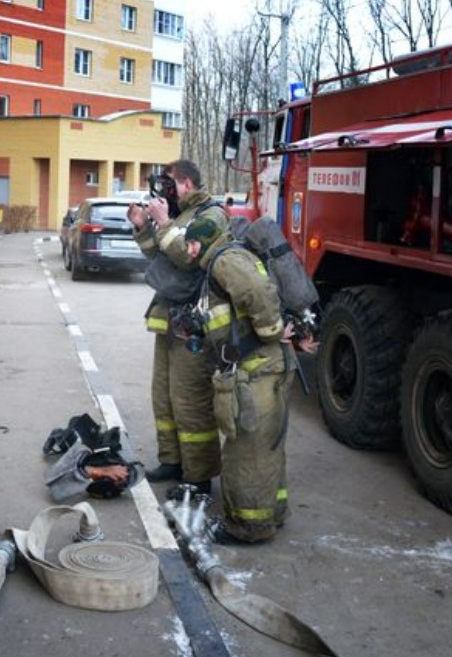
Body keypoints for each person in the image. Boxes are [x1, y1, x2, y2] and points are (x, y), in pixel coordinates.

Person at [183, 215, 316, 545]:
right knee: (268, 445)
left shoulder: (225, 260)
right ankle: (274, 511)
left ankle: (247, 526)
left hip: (257, 368)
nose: (188, 251)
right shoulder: (226, 259)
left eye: (190, 244)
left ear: (202, 240)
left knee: (247, 450)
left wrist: (272, 330)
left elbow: (256, 290)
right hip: (263, 366)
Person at [129, 159, 228, 496]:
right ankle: (172, 461)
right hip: (170, 321)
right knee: (164, 397)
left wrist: (163, 222)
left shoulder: (210, 217)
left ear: (187, 183)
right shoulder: (179, 215)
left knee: (190, 400)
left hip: (195, 324)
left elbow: (187, 258)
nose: (164, 189)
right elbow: (157, 258)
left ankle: (198, 476)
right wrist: (144, 227)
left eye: (169, 182)